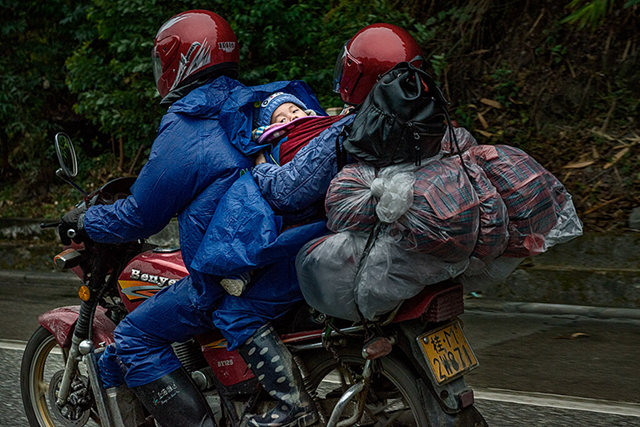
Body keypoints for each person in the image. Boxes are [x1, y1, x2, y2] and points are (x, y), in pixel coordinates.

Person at [58, 10, 324, 427]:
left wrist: (87, 222)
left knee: (135, 336)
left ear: (180, 61)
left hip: (237, 268)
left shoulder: (190, 125)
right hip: (290, 248)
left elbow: (139, 216)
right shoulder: (251, 102)